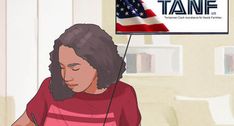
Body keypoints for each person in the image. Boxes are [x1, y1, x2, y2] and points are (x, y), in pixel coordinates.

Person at [12, 24, 141, 126]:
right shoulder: (49, 88)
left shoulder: (123, 94)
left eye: (75, 68)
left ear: (98, 62)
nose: (66, 77)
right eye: (62, 67)